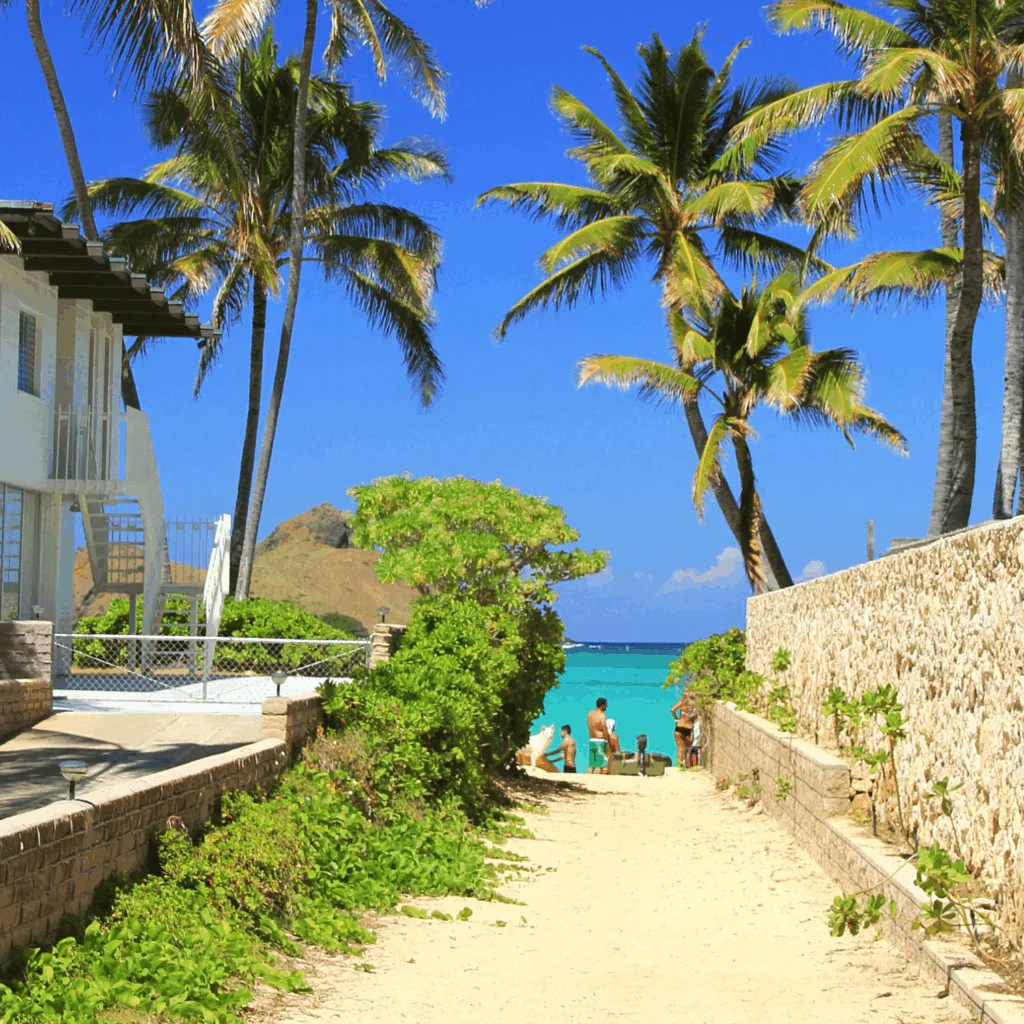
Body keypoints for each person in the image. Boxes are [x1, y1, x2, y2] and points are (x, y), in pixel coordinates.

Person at [586, 697, 611, 773]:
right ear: (602, 705)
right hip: (600, 740)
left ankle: (586, 780)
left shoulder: (589, 714)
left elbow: (589, 726)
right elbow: (604, 729)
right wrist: (608, 741)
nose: (607, 707)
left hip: (592, 739)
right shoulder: (602, 716)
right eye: (606, 705)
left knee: (592, 765)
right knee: (599, 765)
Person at [671, 693, 694, 767]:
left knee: (680, 749)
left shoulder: (682, 702)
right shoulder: (695, 705)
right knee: (688, 749)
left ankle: (679, 766)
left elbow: (672, 710)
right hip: (688, 728)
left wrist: (676, 718)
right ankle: (687, 766)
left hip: (679, 727)